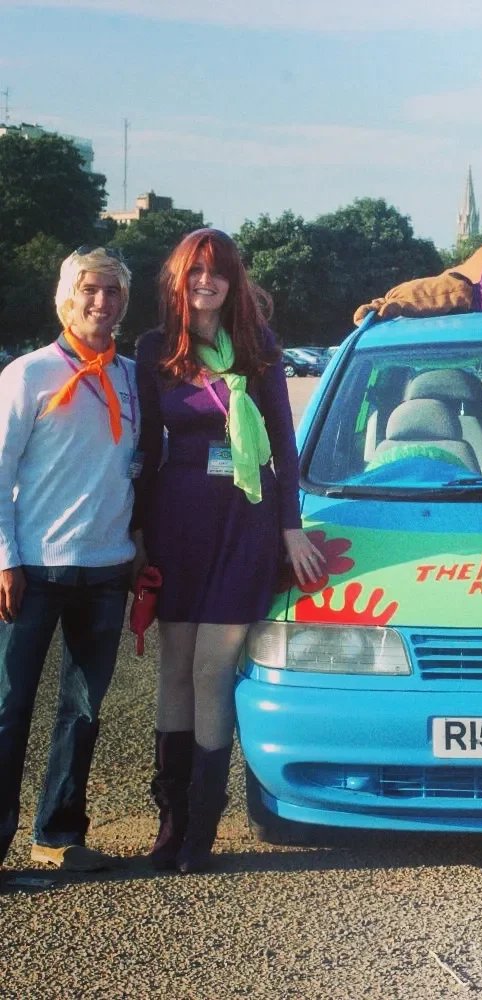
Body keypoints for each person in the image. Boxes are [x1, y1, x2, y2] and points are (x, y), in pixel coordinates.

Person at [133, 228, 323, 874]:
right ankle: (171, 820)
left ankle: (202, 829)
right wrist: (135, 535)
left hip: (246, 522)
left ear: (232, 281)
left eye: (216, 273)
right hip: (178, 520)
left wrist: (291, 525)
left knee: (213, 671)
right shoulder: (154, 350)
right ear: (178, 281)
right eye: (195, 274)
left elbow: (284, 441)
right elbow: (142, 452)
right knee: (174, 668)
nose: (205, 284)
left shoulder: (259, 348)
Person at [0, 247, 136, 878]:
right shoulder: (25, 376)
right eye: (89, 290)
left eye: (112, 292)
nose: (100, 302)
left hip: (106, 569)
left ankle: (57, 833)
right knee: (7, 709)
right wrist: (4, 559)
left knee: (82, 711)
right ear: (65, 296)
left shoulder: (133, 380)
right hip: (31, 570)